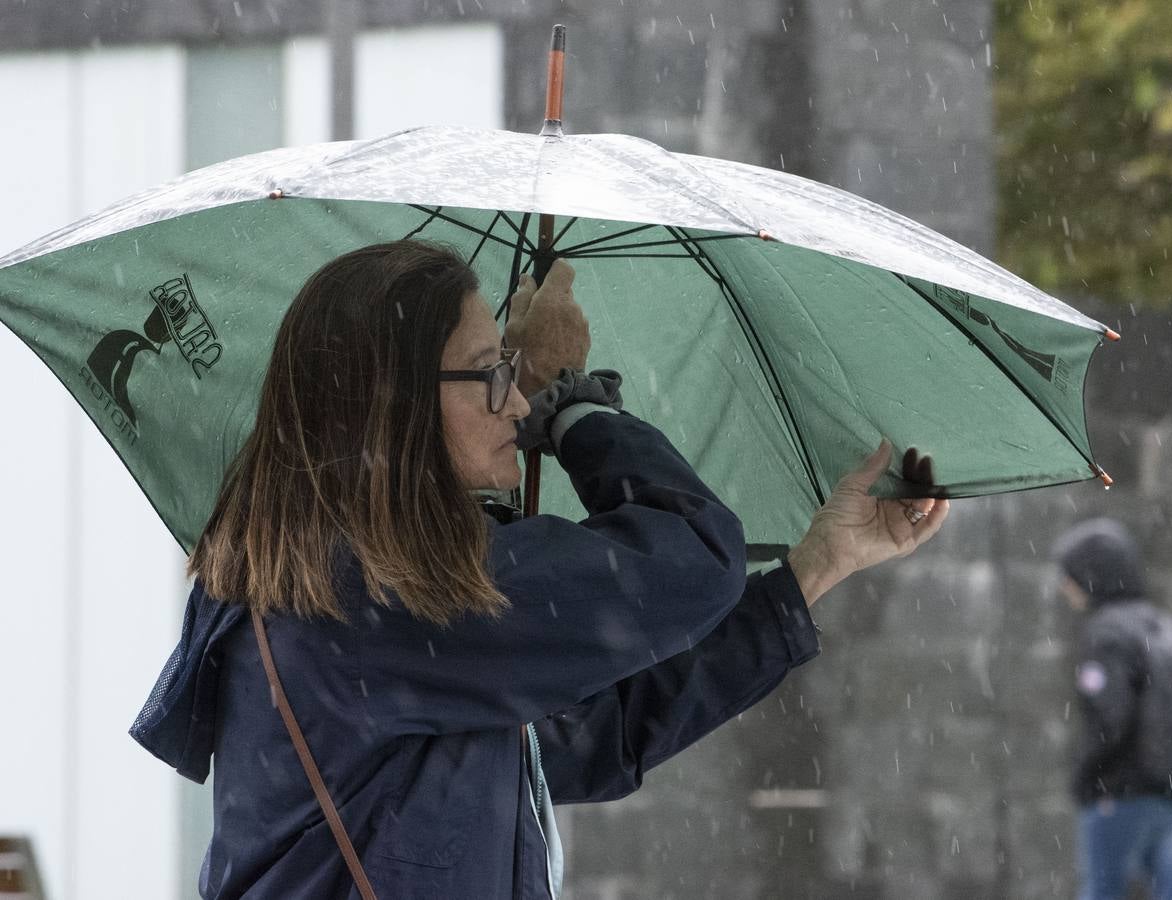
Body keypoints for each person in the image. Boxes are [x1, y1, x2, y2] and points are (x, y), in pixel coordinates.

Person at [131, 239, 949, 899]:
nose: (517, 406)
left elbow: (595, 737)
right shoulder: (377, 596)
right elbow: (694, 557)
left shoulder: (347, 590)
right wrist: (572, 397)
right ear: (398, 397)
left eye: (514, 378)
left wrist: (817, 565)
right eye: (492, 374)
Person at [1053, 518, 1172, 900]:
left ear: (1091, 576)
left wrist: (1088, 780)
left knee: (1103, 890)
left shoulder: (1106, 633)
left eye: (1070, 575)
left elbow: (1111, 718)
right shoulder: (1157, 624)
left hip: (1122, 792)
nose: (1065, 586)